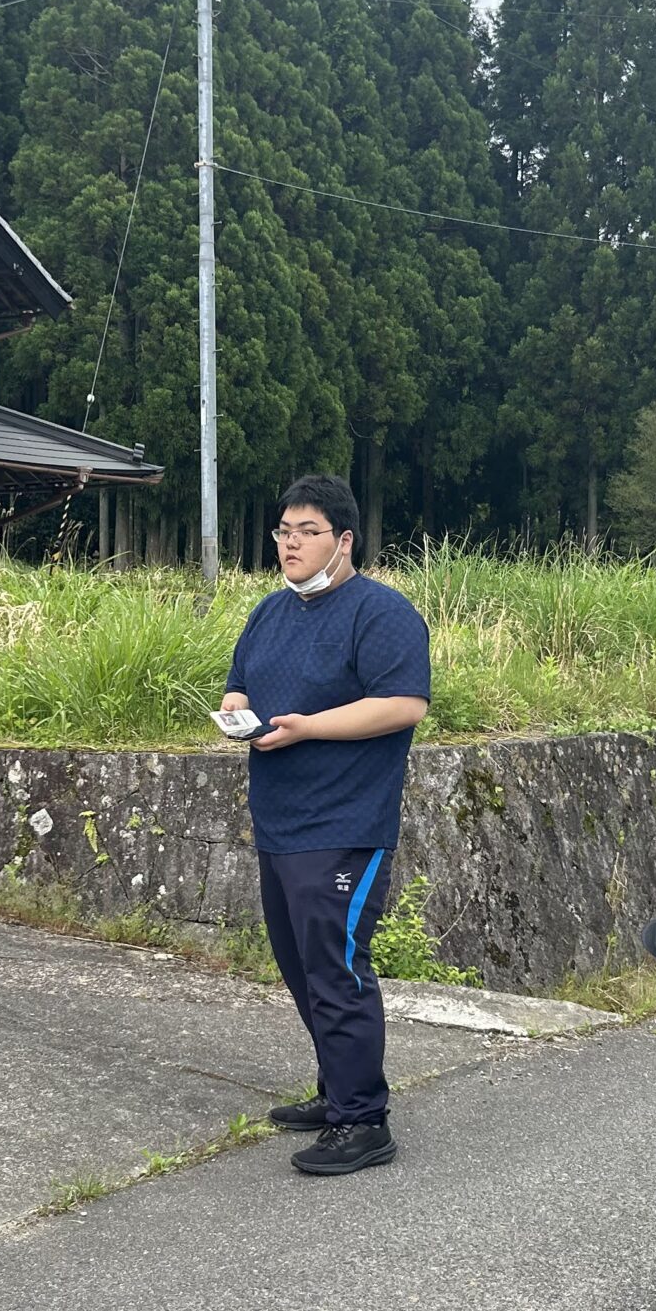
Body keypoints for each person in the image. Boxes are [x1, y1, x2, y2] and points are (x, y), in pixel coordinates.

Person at [220, 474, 431, 1177]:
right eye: (283, 532)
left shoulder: (381, 612)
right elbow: (240, 682)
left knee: (337, 968)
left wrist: (309, 727)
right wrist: (237, 709)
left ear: (344, 541)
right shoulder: (269, 613)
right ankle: (338, 1088)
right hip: (279, 819)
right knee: (301, 964)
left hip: (345, 820)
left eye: (307, 532)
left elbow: (403, 704)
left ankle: (363, 1121)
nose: (291, 544)